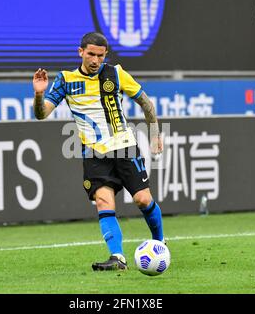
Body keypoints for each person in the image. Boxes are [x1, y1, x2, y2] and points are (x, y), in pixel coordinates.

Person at [32, 32, 164, 271]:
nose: (95, 60)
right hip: (93, 153)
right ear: (80, 52)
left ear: (105, 56)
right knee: (104, 202)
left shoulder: (115, 73)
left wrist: (154, 134)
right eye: (90, 54)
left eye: (100, 56)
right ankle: (117, 257)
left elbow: (146, 103)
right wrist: (39, 95)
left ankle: (159, 242)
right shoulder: (65, 79)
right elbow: (42, 114)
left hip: (123, 146)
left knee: (142, 199)